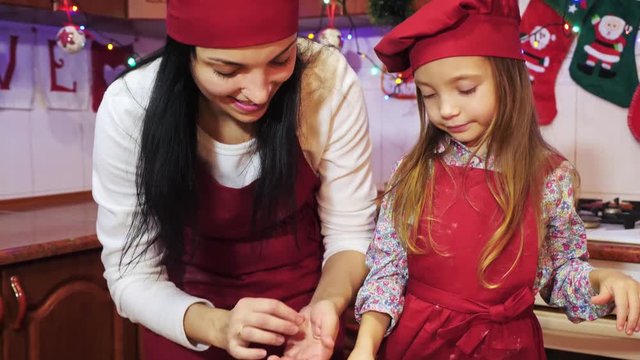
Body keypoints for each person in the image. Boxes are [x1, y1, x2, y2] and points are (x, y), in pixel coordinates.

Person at [348, 1, 640, 359]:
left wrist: (602, 282)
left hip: (509, 348)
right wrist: (365, 346)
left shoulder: (550, 177)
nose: (446, 109)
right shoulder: (414, 172)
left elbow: (559, 273)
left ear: (508, 79)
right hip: (419, 346)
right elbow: (386, 273)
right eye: (429, 94)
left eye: (466, 89)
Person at [92, 0, 377, 359]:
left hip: (303, 329)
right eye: (227, 71)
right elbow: (131, 276)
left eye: (280, 60)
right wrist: (219, 326)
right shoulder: (132, 106)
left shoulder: (324, 81)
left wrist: (325, 307)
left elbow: (350, 234)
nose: (259, 93)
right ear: (187, 55)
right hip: (185, 324)